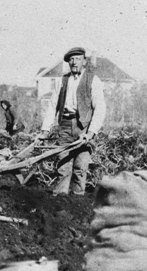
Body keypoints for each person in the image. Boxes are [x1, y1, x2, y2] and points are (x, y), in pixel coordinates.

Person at [38, 47, 107, 196]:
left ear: (84, 61)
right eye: (72, 59)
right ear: (68, 62)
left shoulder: (93, 80)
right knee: (63, 166)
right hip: (65, 126)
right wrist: (44, 130)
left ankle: (77, 200)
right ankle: (61, 200)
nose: (74, 62)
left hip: (84, 127)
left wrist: (90, 133)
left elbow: (100, 108)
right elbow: (52, 107)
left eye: (78, 59)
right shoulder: (61, 81)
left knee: (80, 167)